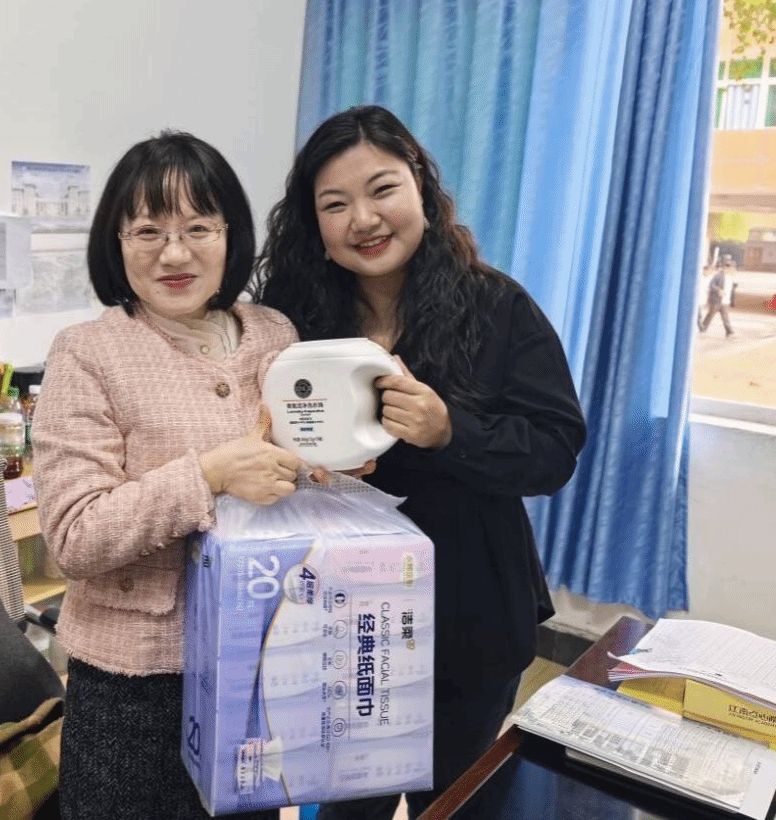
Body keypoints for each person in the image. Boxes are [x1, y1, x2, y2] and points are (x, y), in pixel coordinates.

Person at [254, 105, 587, 820]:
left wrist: (449, 431)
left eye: (383, 190)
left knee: (456, 804)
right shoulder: (291, 320)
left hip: (470, 613)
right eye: (335, 204)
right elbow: (259, 435)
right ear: (314, 224)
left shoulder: (495, 306)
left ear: (423, 194)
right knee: (350, 807)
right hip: (344, 615)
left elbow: (556, 449)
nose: (363, 219)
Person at [34, 130, 301, 820]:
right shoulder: (88, 352)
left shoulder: (275, 334)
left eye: (198, 228)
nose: (175, 253)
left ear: (230, 234)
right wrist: (207, 475)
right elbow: (73, 536)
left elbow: (295, 476)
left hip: (259, 659)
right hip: (134, 683)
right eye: (149, 230)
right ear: (116, 242)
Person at [698, 255, 735, 336]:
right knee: (710, 315)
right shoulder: (719, 276)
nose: (729, 269)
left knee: (725, 317)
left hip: (725, 301)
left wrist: (731, 300)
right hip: (716, 301)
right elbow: (711, 285)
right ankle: (703, 328)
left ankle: (729, 331)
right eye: (727, 267)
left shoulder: (730, 278)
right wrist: (718, 290)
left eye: (730, 267)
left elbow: (731, 290)